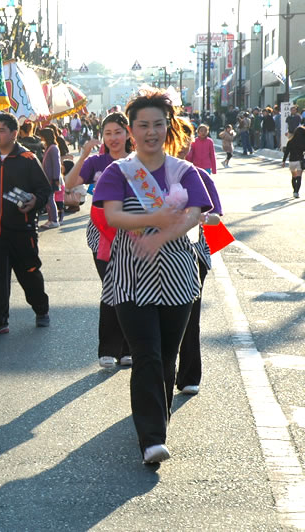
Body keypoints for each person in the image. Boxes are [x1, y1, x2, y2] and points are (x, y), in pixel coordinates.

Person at [93, 89, 212, 464]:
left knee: (166, 356)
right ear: (131, 129)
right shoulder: (118, 172)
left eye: (157, 124)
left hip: (178, 277)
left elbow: (196, 215)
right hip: (131, 277)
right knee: (146, 354)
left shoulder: (185, 171)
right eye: (142, 125)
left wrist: (161, 235)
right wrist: (153, 219)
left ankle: (156, 423)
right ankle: (152, 438)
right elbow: (112, 215)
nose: (150, 132)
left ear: (168, 127)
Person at [64, 112, 134, 369]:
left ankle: (128, 348)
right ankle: (108, 349)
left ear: (128, 133)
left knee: (131, 287)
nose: (113, 138)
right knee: (111, 285)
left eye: (118, 132)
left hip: (133, 231)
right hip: (101, 233)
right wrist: (83, 154)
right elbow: (69, 184)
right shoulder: (96, 162)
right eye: (108, 133)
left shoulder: (138, 160)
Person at [0, 112, 52, 335]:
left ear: (14, 133)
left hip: (22, 230)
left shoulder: (28, 159)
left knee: (29, 273)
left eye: (1, 130)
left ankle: (41, 309)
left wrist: (34, 201)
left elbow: (44, 190)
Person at [175, 119, 224, 396]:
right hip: (150, 256)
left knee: (190, 316)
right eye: (176, 138)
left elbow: (217, 219)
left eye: (186, 140)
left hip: (193, 255)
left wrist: (201, 217)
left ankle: (189, 374)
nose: (182, 146)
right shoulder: (145, 175)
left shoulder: (199, 177)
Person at [37, 128, 63, 229]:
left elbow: (57, 164)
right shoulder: (50, 147)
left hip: (52, 179)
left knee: (50, 199)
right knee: (48, 199)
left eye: (42, 136)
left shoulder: (53, 148)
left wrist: (56, 178)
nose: (41, 138)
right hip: (48, 178)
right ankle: (51, 219)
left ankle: (54, 220)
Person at [283, 125, 305, 198]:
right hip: (299, 160)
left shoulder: (290, 141)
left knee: (293, 177)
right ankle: (296, 192)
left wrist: (283, 161)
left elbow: (286, 152)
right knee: (299, 176)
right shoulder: (303, 142)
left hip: (292, 161)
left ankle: (294, 189)